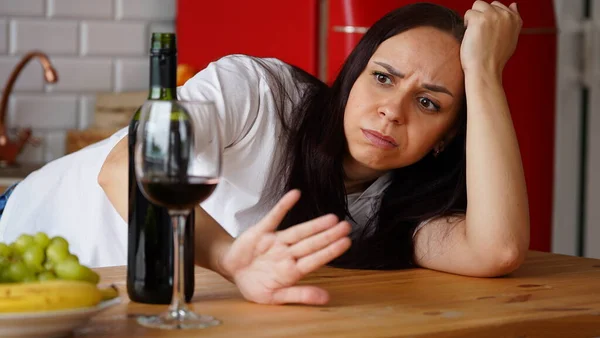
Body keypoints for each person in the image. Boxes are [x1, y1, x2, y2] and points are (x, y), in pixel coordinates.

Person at [0, 1, 528, 305]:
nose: (393, 110)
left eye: (430, 102)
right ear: (352, 74)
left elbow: (497, 251)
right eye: (383, 77)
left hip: (110, 308)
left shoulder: (390, 210)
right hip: (20, 236)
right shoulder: (257, 92)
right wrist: (229, 259)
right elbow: (127, 168)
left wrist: (484, 73)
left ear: (447, 137)